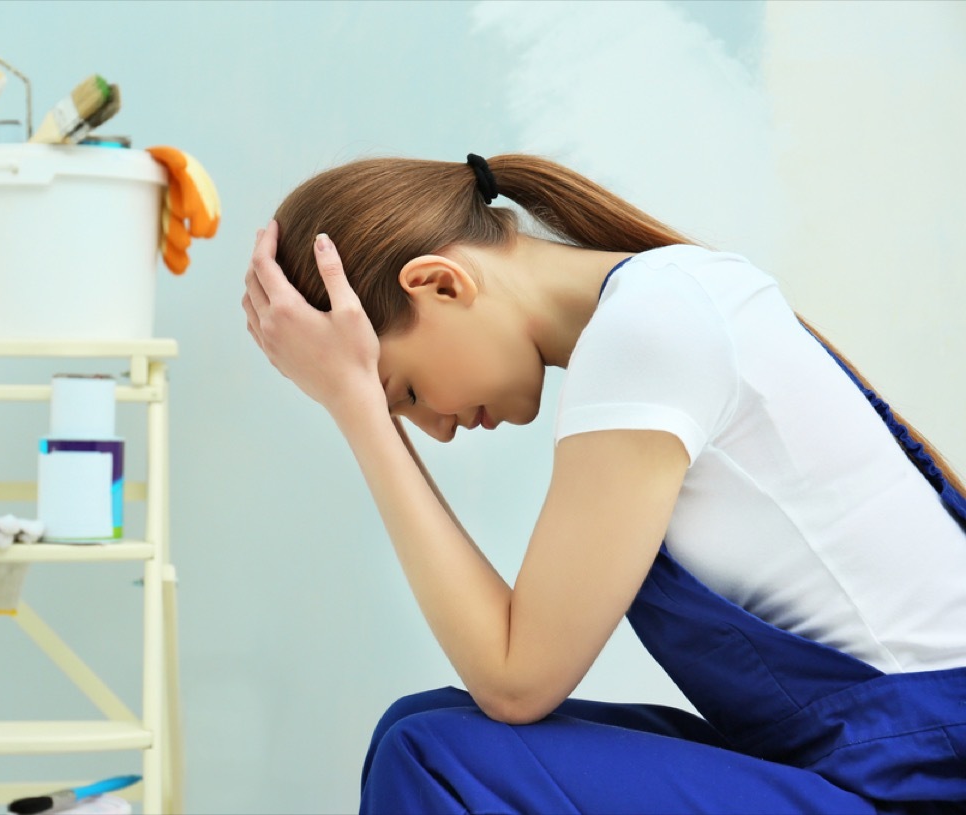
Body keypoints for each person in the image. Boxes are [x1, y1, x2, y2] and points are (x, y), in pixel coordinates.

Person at [241, 153, 966, 813]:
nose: (431, 427)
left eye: (404, 391)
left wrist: (356, 407)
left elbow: (515, 679)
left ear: (439, 282)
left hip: (921, 775)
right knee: (420, 722)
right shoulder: (667, 300)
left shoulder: (649, 330)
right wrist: (365, 396)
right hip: (880, 755)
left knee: (433, 756)